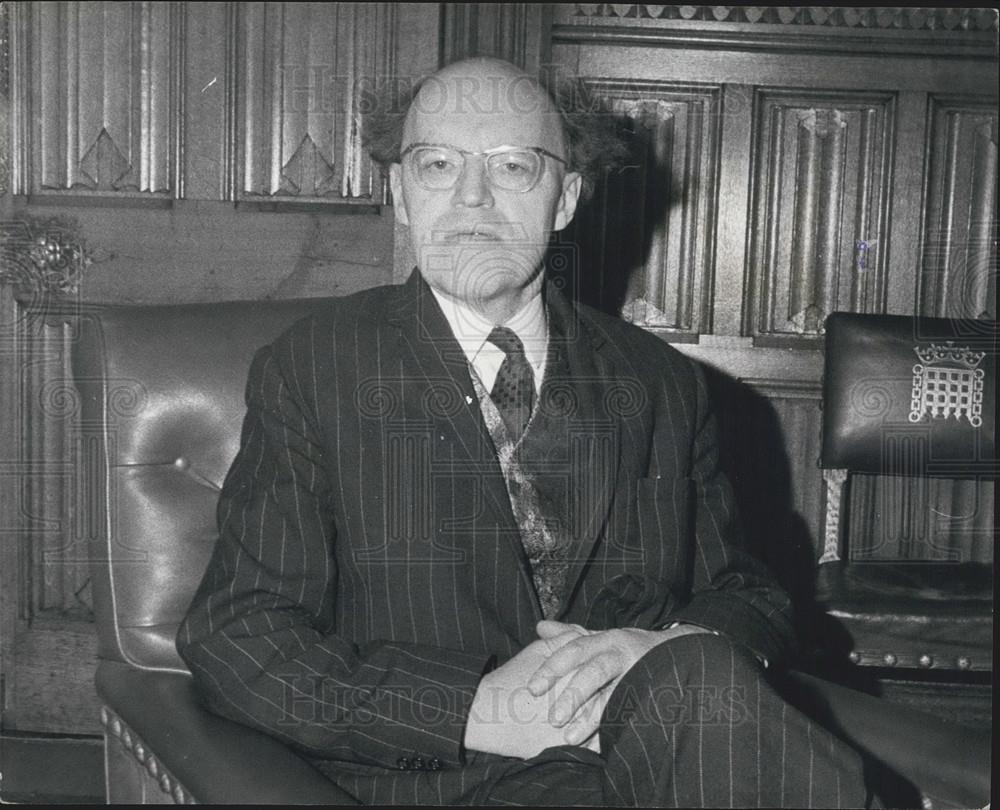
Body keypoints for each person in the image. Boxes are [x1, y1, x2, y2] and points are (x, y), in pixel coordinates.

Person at [177, 56, 875, 807]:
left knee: (698, 672)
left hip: (658, 753)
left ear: (566, 196)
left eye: (513, 166)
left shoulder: (659, 382)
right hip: (445, 774)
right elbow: (237, 636)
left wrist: (654, 650)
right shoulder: (317, 367)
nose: (472, 198)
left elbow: (746, 596)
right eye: (438, 164)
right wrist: (475, 710)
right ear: (400, 193)